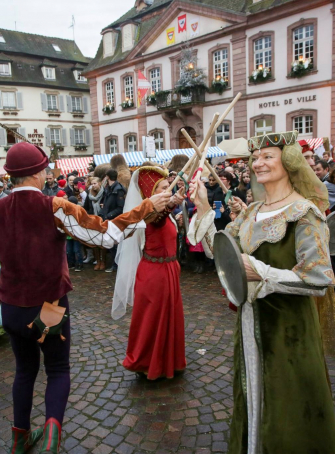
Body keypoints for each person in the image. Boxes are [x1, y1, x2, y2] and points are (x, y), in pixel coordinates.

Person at [0, 142, 172, 454]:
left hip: (10, 307)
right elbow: (103, 236)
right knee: (57, 369)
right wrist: (146, 207)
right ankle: (52, 438)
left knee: (24, 371)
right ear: (38, 173)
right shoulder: (54, 206)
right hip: (48, 306)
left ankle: (19, 439)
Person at [188, 131, 335, 454]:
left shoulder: (304, 212)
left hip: (289, 331)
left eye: (268, 156)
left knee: (287, 407)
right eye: (255, 158)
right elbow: (222, 255)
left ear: (290, 161)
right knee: (252, 399)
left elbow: (319, 278)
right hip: (250, 325)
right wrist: (202, 209)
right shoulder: (252, 213)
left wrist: (262, 273)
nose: (258, 163)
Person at [114, 166, 187, 380]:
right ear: (151, 194)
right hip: (154, 274)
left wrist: (175, 208)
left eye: (168, 187)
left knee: (169, 318)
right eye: (163, 188)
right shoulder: (149, 214)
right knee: (152, 320)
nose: (167, 191)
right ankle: (148, 363)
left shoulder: (164, 212)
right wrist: (171, 204)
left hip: (169, 271)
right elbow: (157, 219)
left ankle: (169, 361)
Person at [99, 169, 126, 272]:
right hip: (108, 219)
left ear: (107, 177)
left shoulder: (118, 189)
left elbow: (120, 207)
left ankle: (116, 265)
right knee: (111, 244)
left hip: (114, 220)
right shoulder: (109, 188)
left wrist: (109, 215)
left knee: (115, 244)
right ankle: (115, 264)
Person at [84, 177, 105, 270]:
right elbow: (86, 207)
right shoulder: (89, 195)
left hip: (103, 220)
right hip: (93, 220)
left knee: (103, 242)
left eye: (95, 183)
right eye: (92, 184)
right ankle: (98, 261)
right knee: (95, 242)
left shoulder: (105, 193)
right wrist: (89, 216)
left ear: (100, 183)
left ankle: (103, 261)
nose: (93, 185)